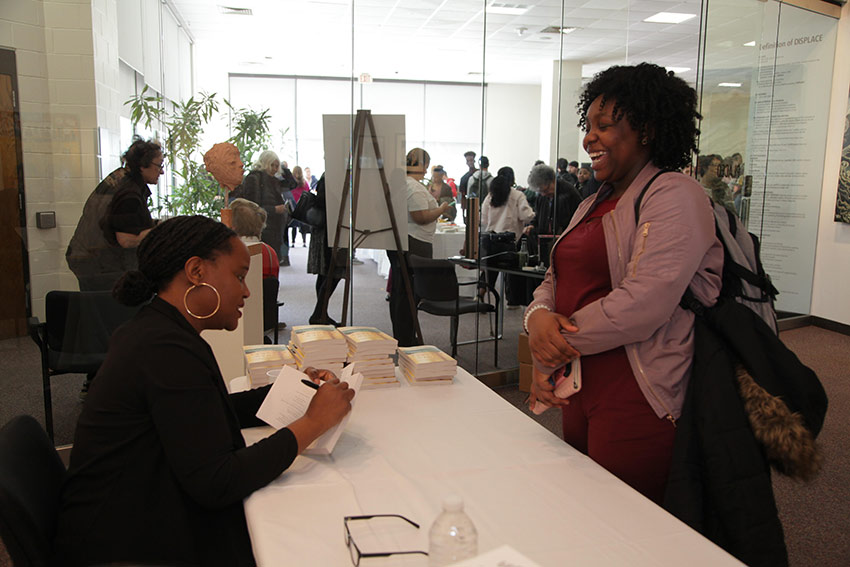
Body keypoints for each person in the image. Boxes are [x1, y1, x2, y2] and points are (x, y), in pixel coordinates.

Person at [53, 215, 354, 566]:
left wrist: (297, 389)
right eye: (239, 276)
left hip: (131, 514)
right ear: (196, 272)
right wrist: (313, 423)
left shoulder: (159, 330)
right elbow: (218, 482)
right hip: (123, 544)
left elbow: (206, 409)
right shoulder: (164, 348)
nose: (246, 291)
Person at [523, 62, 723, 505]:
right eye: (588, 126)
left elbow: (642, 304)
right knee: (581, 511)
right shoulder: (594, 201)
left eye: (604, 126)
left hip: (639, 391)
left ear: (647, 129)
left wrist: (551, 342)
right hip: (579, 383)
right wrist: (537, 320)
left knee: (624, 522)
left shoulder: (675, 195)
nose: (588, 138)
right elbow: (555, 278)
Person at [66, 138, 162, 291]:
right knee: (113, 309)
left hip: (85, 256)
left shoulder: (120, 177)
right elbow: (126, 240)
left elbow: (125, 221)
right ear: (143, 166)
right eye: (159, 165)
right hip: (98, 263)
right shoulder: (129, 193)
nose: (162, 171)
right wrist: (163, 229)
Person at [387, 147, 449, 346]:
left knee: (401, 290)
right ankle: (406, 338)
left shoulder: (404, 184)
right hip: (415, 242)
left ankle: (402, 335)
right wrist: (440, 209)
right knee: (408, 292)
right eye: (425, 165)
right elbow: (420, 217)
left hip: (406, 240)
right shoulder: (413, 187)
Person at [480, 169, 535, 303]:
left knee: (490, 268)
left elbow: (483, 220)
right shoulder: (517, 195)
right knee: (513, 269)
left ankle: (480, 292)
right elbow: (526, 215)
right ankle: (512, 299)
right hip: (510, 240)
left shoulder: (490, 196)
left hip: (491, 240)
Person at [229, 198, 281, 334]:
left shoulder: (230, 254)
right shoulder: (270, 252)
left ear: (232, 224)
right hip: (265, 318)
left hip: (238, 320)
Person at [231, 150, 290, 265]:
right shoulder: (254, 179)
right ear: (265, 163)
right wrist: (274, 209)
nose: (274, 169)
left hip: (274, 227)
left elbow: (291, 183)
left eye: (276, 166)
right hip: (261, 227)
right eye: (272, 165)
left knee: (272, 261)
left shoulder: (274, 180)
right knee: (264, 263)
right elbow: (251, 207)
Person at [524, 163, 581, 264]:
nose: (544, 194)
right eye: (540, 191)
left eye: (545, 190)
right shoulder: (542, 196)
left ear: (553, 180)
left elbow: (579, 217)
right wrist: (532, 225)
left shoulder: (569, 192)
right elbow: (538, 214)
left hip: (564, 243)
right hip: (544, 242)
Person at [289, 165, 311, 247]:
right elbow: (308, 192)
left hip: (293, 204)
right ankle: (304, 242)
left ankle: (293, 242)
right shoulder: (304, 183)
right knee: (303, 225)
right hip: (302, 205)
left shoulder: (291, 183)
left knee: (294, 225)